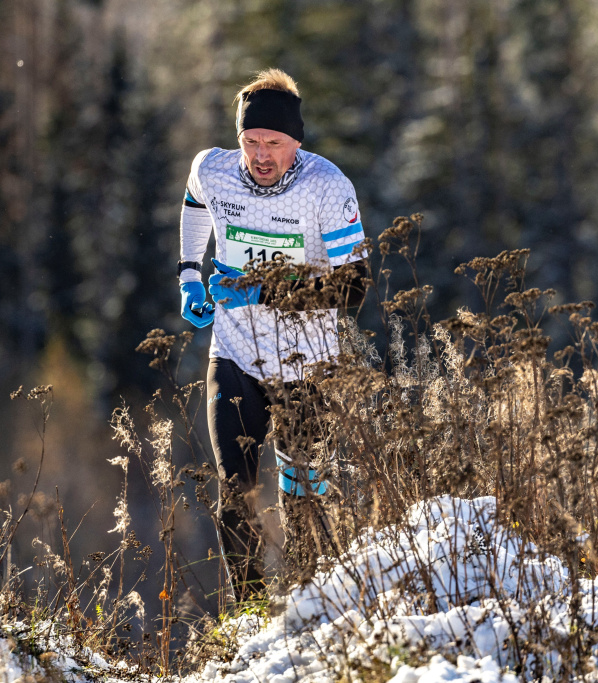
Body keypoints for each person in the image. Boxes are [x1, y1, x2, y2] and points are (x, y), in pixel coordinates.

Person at [177, 68, 369, 602]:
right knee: (235, 493)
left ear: (296, 144)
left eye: (274, 144)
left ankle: (310, 607)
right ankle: (250, 617)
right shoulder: (213, 169)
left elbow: (354, 290)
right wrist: (189, 275)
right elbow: (195, 201)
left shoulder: (327, 188)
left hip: (308, 364)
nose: (261, 156)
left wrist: (263, 293)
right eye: (251, 142)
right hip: (235, 354)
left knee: (303, 492)